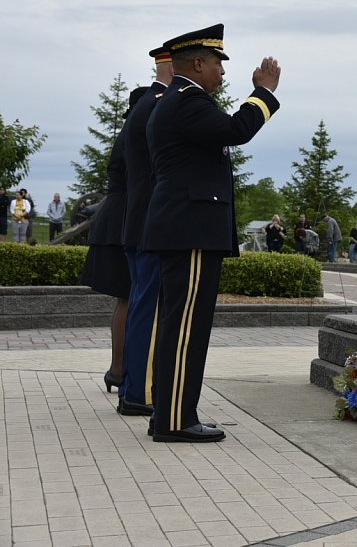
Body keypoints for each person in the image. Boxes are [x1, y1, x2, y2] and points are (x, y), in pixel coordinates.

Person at [141, 24, 281, 443]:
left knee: (178, 326)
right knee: (186, 328)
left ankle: (169, 413)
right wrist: (265, 93)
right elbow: (237, 131)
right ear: (198, 63)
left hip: (183, 227)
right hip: (191, 231)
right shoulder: (188, 101)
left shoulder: (178, 101)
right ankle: (175, 421)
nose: (222, 72)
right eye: (218, 63)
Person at [81, 88, 147, 399]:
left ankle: (118, 368)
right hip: (123, 222)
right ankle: (120, 369)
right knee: (129, 297)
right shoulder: (136, 135)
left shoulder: (126, 133)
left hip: (115, 222)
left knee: (127, 298)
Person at [121, 47, 175, 417]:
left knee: (143, 305)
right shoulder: (158, 104)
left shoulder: (147, 102)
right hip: (150, 224)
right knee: (151, 310)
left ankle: (133, 387)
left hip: (138, 221)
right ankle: (142, 391)